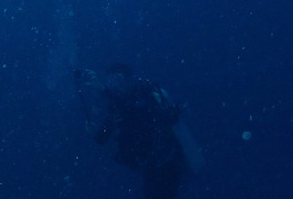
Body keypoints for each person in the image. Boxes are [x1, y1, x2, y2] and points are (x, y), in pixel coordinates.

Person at [76, 64, 202, 199]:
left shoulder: (146, 97)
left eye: (119, 80)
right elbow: (105, 135)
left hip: (168, 164)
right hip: (148, 169)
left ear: (130, 80)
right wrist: (95, 133)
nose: (116, 87)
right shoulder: (117, 108)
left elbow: (136, 115)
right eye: (111, 82)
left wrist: (104, 91)